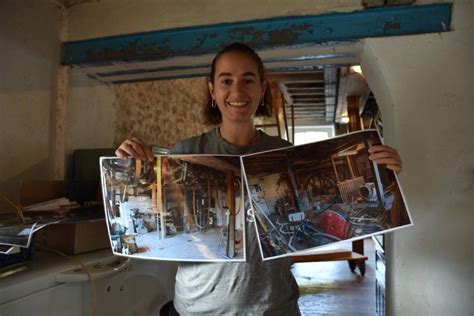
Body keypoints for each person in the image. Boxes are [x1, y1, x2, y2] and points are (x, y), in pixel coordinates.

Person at [116, 42, 403, 315]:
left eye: (248, 80)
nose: (237, 90)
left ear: (262, 89)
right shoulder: (185, 153)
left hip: (273, 308)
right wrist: (125, 170)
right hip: (197, 310)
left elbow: (351, 212)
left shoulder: (285, 153)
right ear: (212, 91)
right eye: (226, 81)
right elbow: (140, 225)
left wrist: (384, 174)